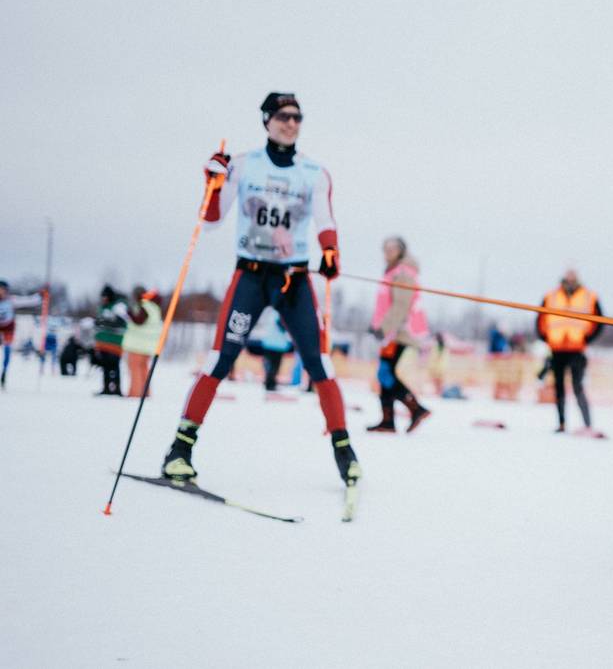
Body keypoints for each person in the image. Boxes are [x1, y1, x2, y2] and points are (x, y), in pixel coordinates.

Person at [160, 92, 361, 487]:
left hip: (293, 280)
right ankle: (179, 450)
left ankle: (345, 453)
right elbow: (213, 219)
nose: (291, 123)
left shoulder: (313, 173)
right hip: (251, 277)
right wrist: (212, 183)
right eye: (284, 116)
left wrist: (331, 250)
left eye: (297, 118)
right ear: (267, 120)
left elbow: (325, 219)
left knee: (321, 365)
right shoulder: (243, 165)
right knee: (220, 359)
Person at [366, 236, 431, 433]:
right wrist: (376, 325)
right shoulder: (393, 271)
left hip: (399, 332)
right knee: (386, 374)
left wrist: (384, 328)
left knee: (385, 373)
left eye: (392, 248)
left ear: (401, 250)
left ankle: (416, 409)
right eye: (385, 249)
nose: (388, 252)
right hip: (391, 332)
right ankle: (388, 421)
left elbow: (401, 305)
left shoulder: (403, 273)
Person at [536, 270, 603, 434]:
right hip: (557, 349)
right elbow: (540, 319)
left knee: (577, 386)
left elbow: (599, 321)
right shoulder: (550, 296)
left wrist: (587, 339)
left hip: (577, 349)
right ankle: (561, 424)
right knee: (558, 388)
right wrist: (547, 338)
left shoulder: (589, 296)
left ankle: (587, 425)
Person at [0, 281, 44, 389]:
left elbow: (28, 301)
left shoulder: (11, 300)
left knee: (7, 350)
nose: (1, 292)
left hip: (8, 328)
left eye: (2, 289)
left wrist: (40, 295)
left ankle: (4, 372)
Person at [121, 286, 163, 398]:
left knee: (135, 370)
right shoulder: (155, 308)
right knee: (143, 370)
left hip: (137, 345)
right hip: (148, 346)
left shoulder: (144, 307)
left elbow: (139, 321)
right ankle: (145, 393)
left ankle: (135, 394)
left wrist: (128, 313)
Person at [94, 285, 126, 396]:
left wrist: (106, 322)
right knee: (105, 367)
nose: (103, 299)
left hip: (115, 344)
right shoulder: (102, 308)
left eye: (105, 297)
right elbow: (98, 322)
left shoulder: (118, 307)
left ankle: (116, 389)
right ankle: (106, 388)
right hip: (103, 343)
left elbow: (121, 324)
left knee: (115, 367)